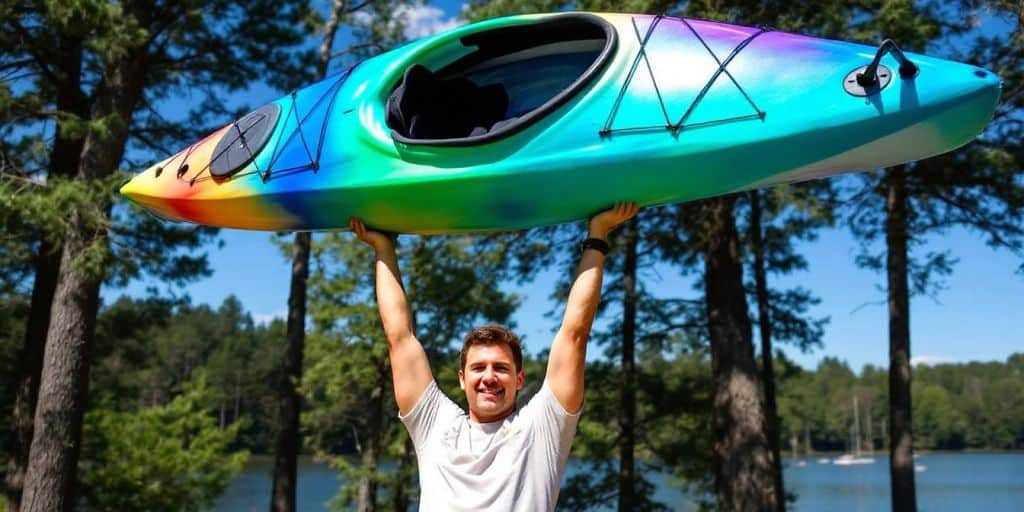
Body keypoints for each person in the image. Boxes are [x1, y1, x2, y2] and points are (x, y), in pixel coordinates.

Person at [350, 202, 639, 512]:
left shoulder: (541, 427)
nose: (489, 377)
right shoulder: (435, 425)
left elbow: (574, 333)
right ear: (462, 379)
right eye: (478, 368)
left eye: (501, 368)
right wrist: (383, 248)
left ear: (519, 378)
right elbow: (399, 337)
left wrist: (598, 235)